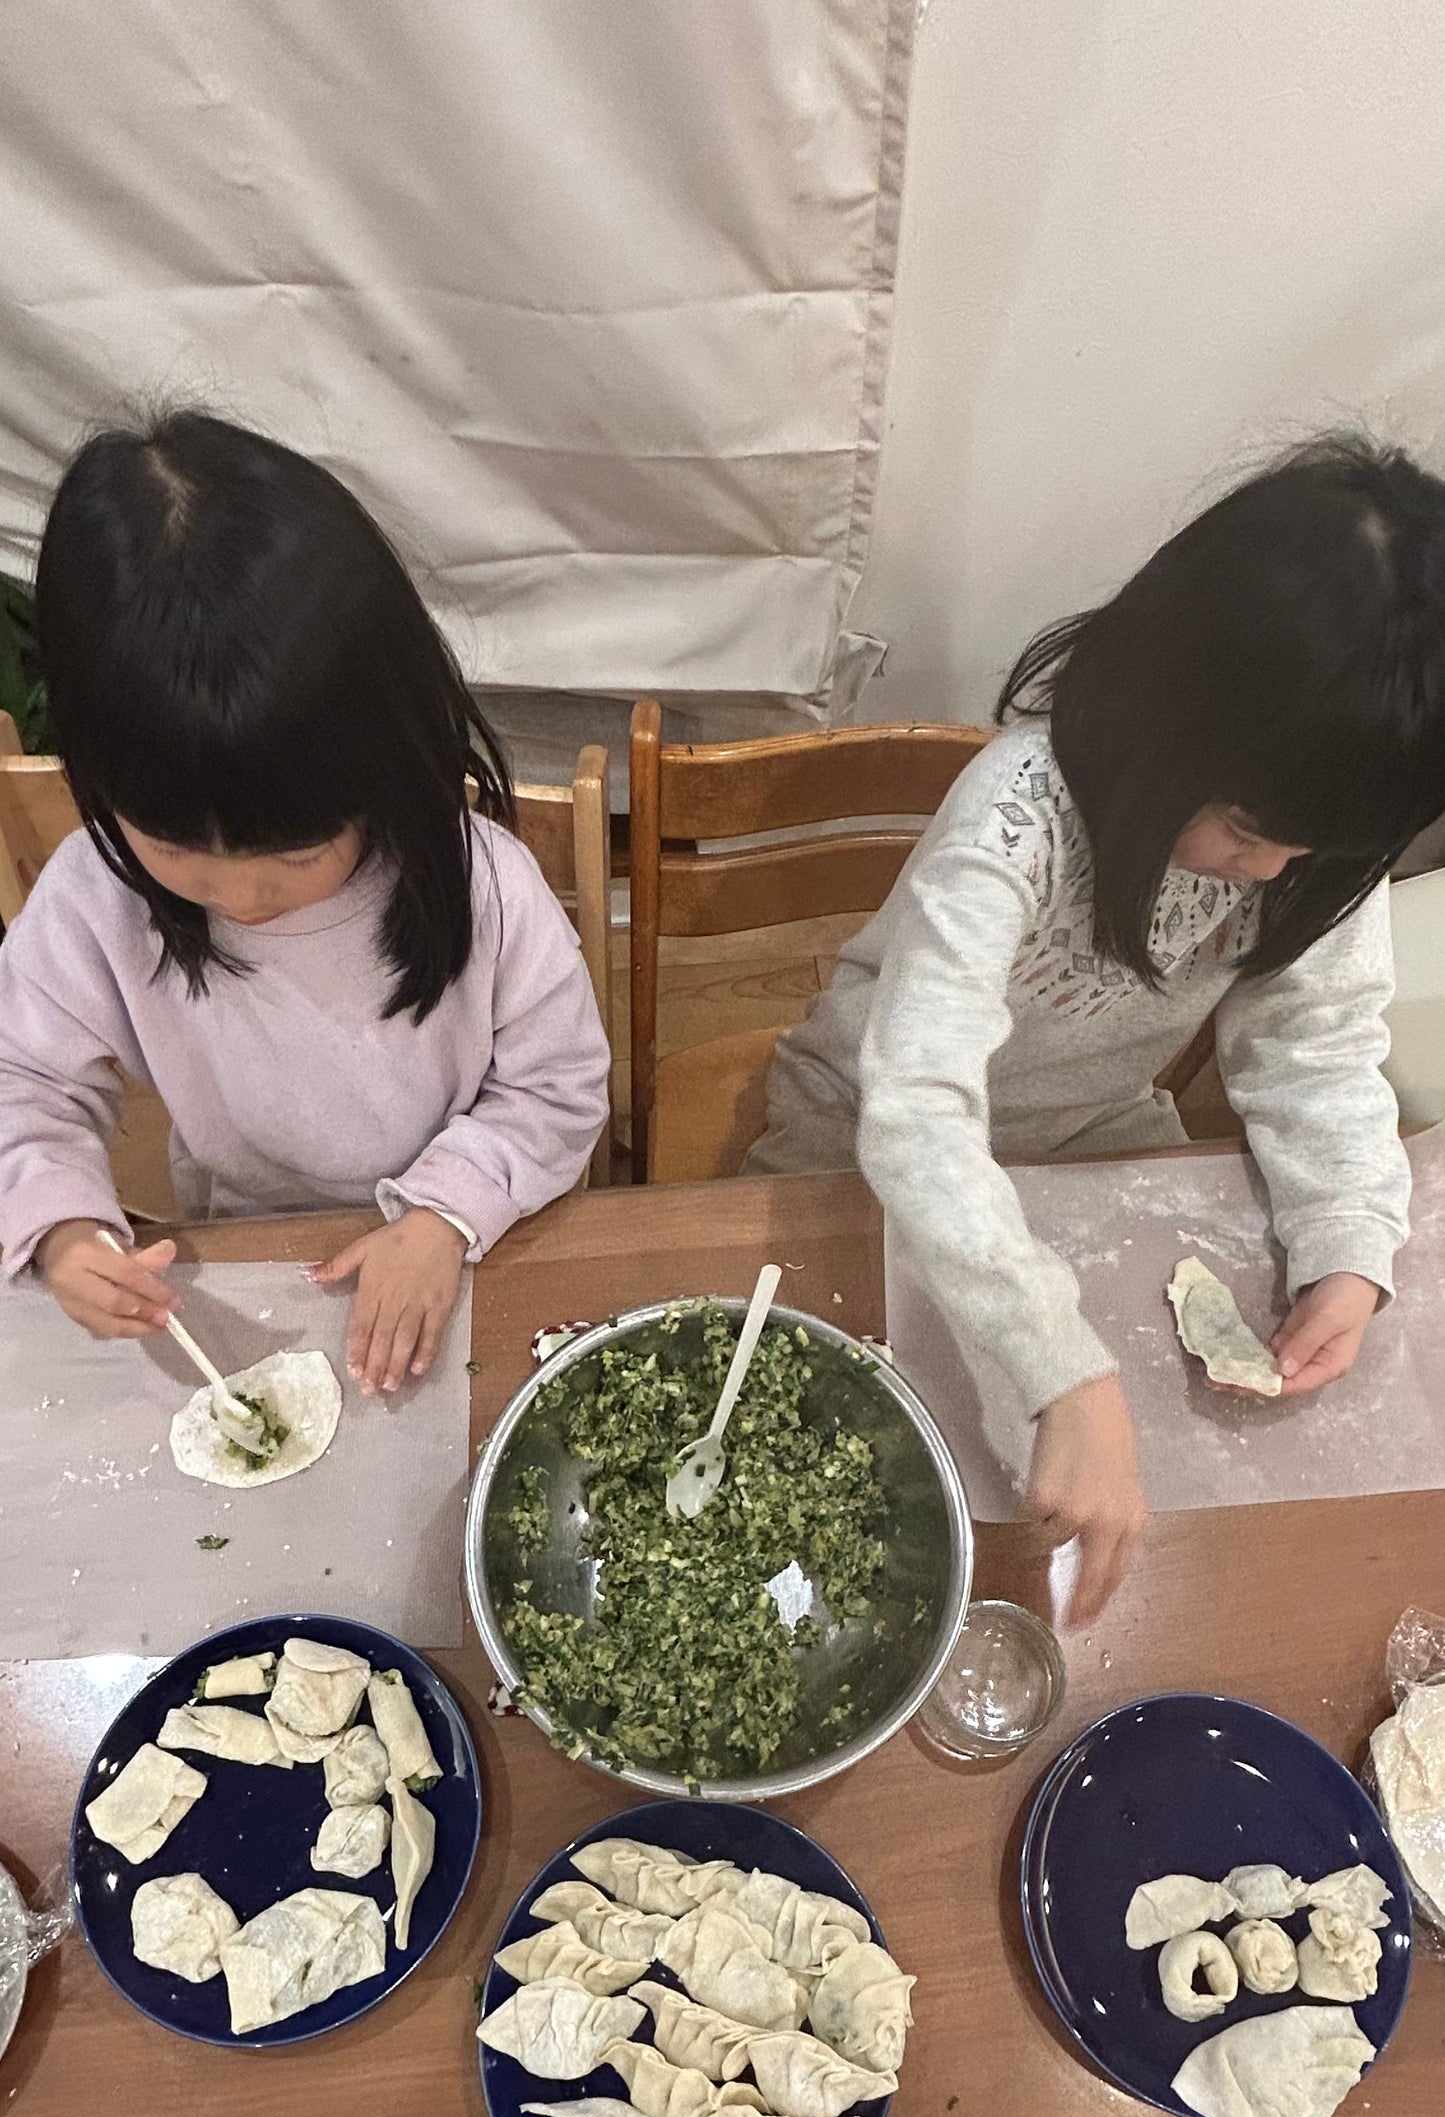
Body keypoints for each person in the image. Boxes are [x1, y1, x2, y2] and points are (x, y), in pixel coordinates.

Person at [750, 436, 1445, 1621]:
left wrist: (1344, 1236)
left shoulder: (1312, 839)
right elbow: (914, 1109)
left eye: (1309, 850)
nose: (1267, 870)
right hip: (854, 1126)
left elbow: (1312, 1042)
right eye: (1241, 829)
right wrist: (1056, 1366)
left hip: (1090, 1134)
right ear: (1163, 711)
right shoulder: (1014, 817)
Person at [0, 411, 610, 1394]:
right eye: (173, 847)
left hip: (475, 1231)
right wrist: (62, 1223)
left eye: (293, 851)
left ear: (383, 754)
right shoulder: (94, 899)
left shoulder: (480, 882)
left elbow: (556, 1089)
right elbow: (22, 1080)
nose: (241, 896)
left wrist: (440, 1213)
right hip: (248, 1251)